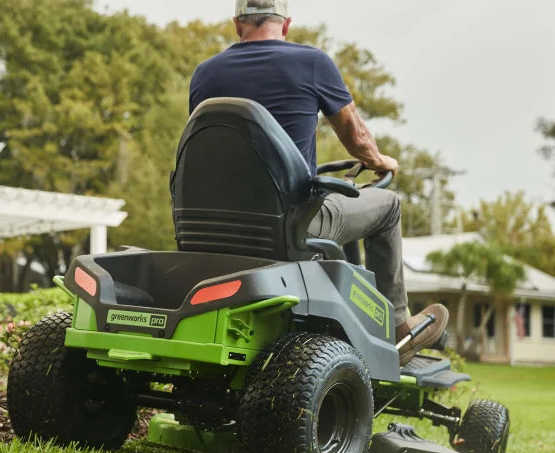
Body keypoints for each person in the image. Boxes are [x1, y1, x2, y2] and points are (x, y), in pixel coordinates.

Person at [189, 0, 448, 366]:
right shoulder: (312, 63)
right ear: (287, 24)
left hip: (214, 223)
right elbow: (355, 136)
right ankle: (398, 328)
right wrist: (380, 161)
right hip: (290, 222)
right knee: (387, 206)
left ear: (237, 25)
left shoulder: (205, 75)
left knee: (346, 203)